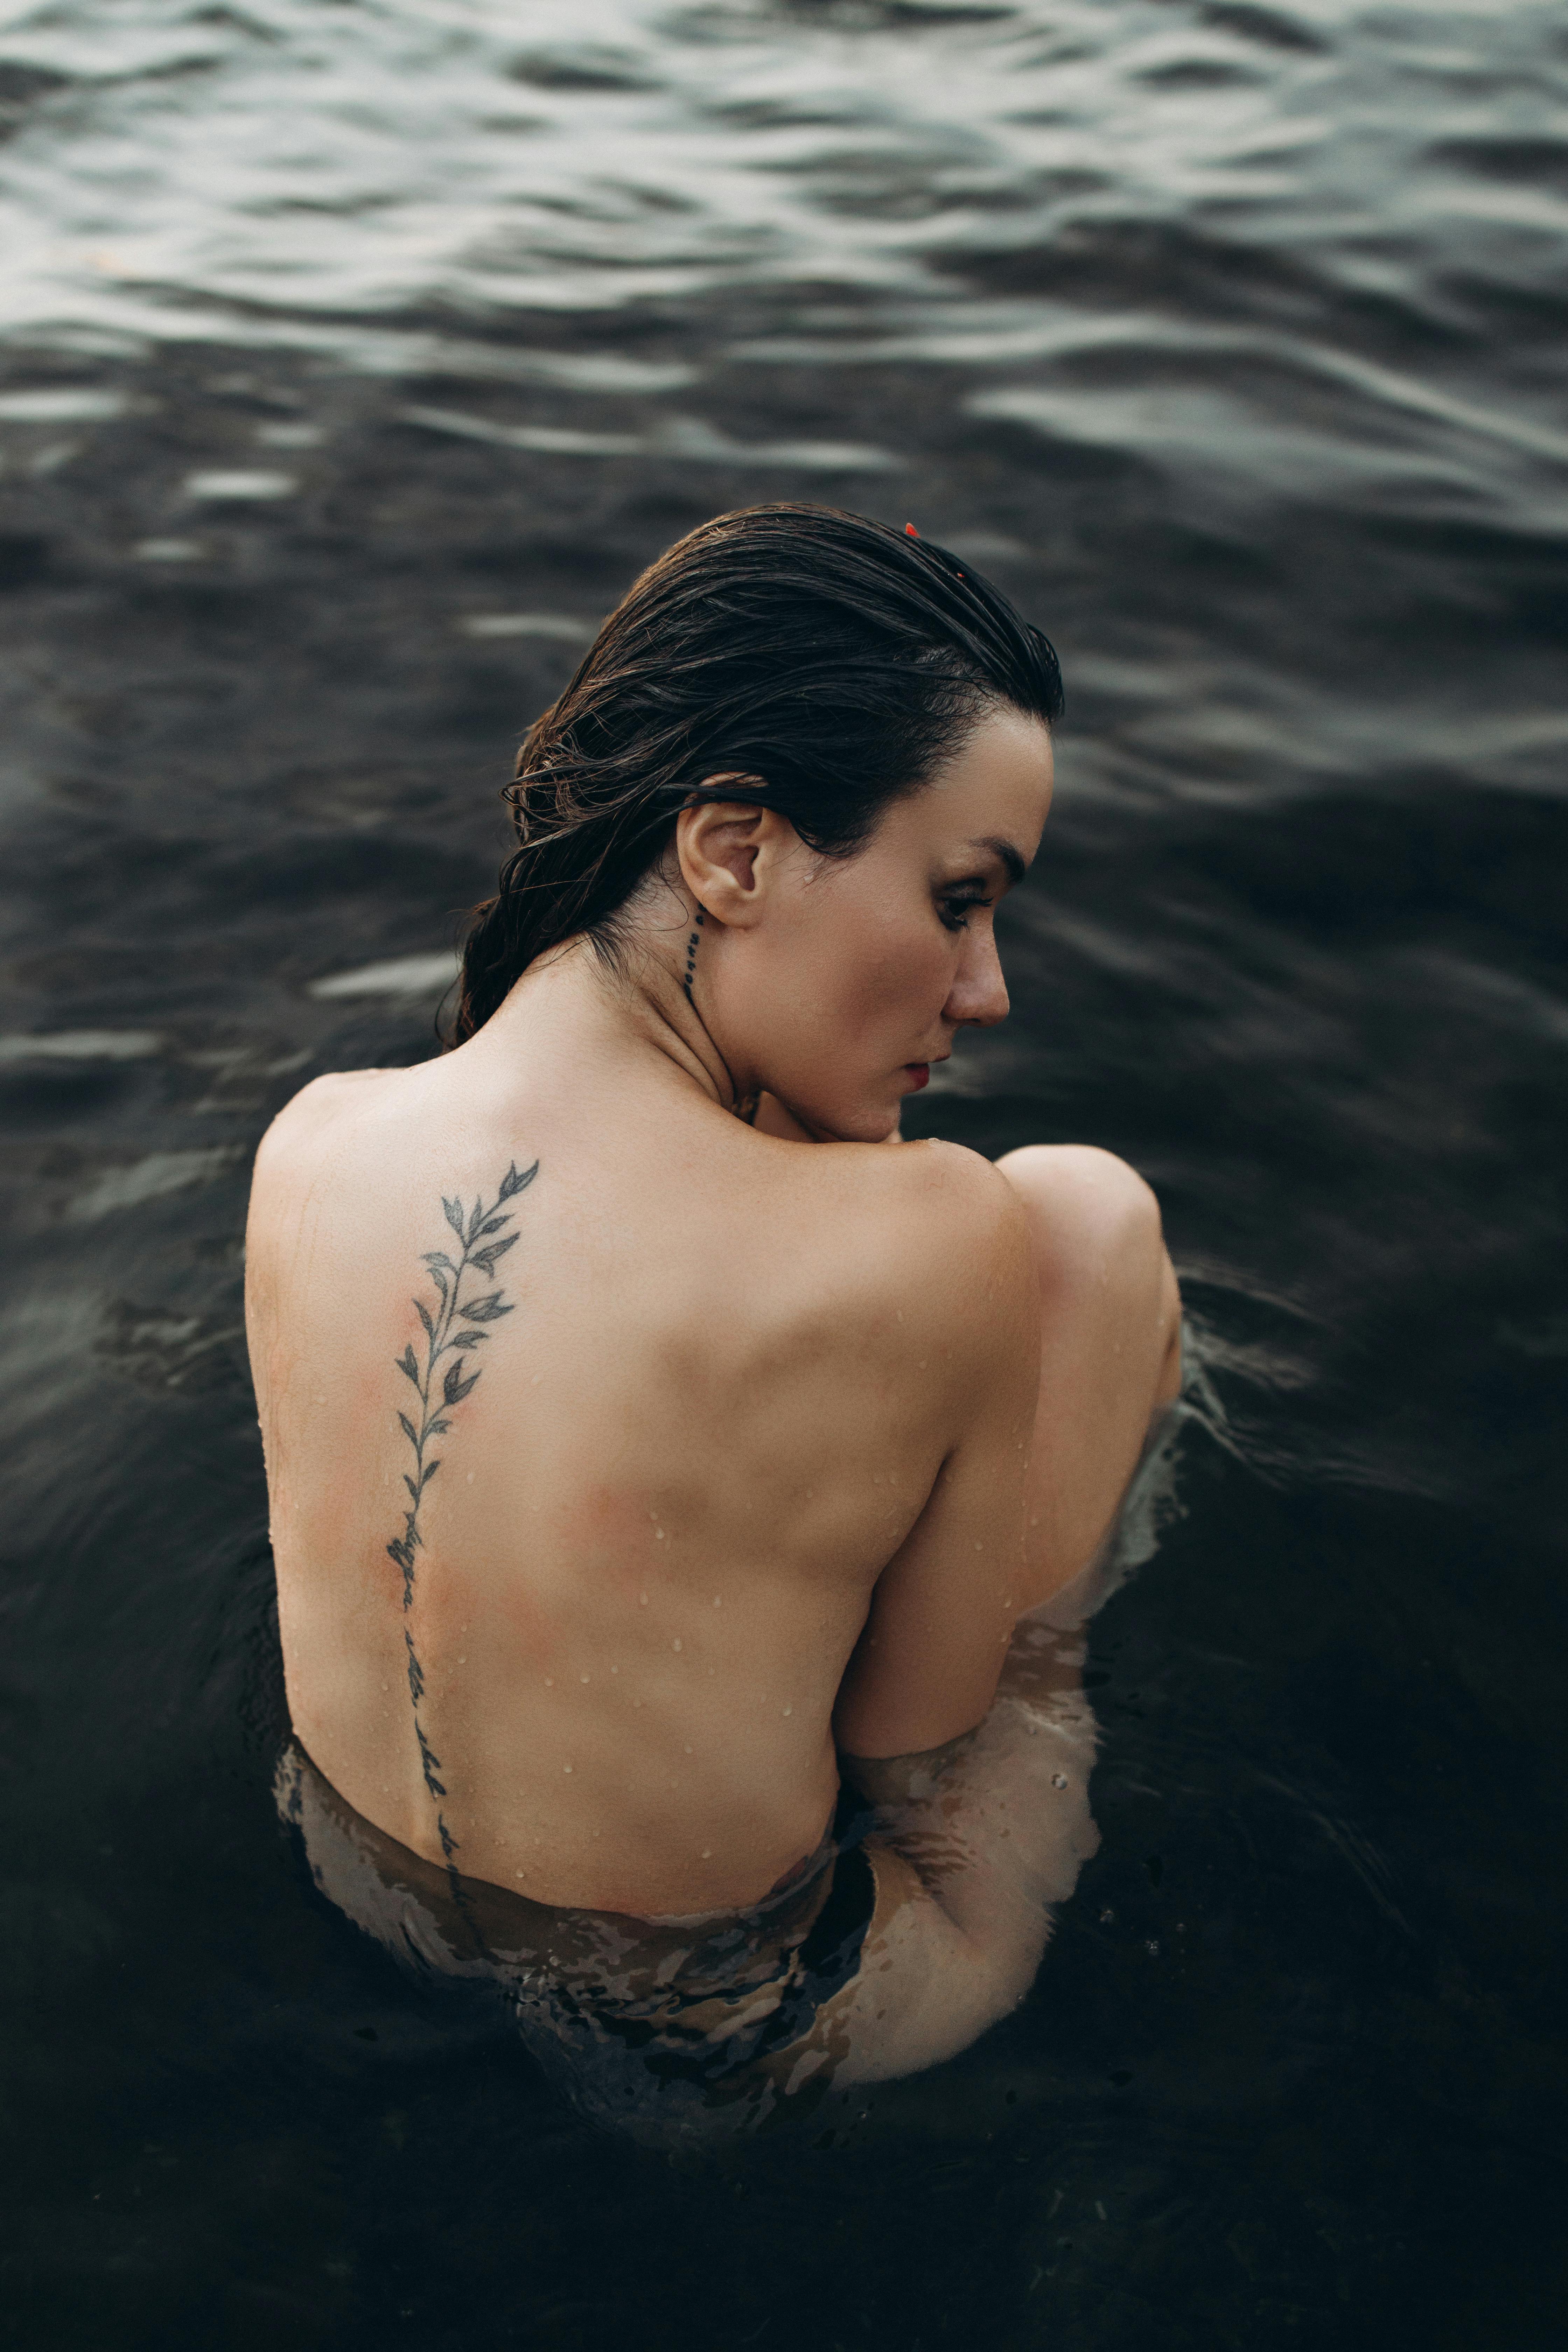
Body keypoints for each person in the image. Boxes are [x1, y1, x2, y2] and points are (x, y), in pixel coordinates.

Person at [246, 504, 1180, 2130]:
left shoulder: (314, 1141)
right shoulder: (931, 1235)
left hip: (361, 1902)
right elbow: (916, 1764)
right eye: (960, 898)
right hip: (739, 2021)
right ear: (732, 850)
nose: (986, 988)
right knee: (1089, 1220)